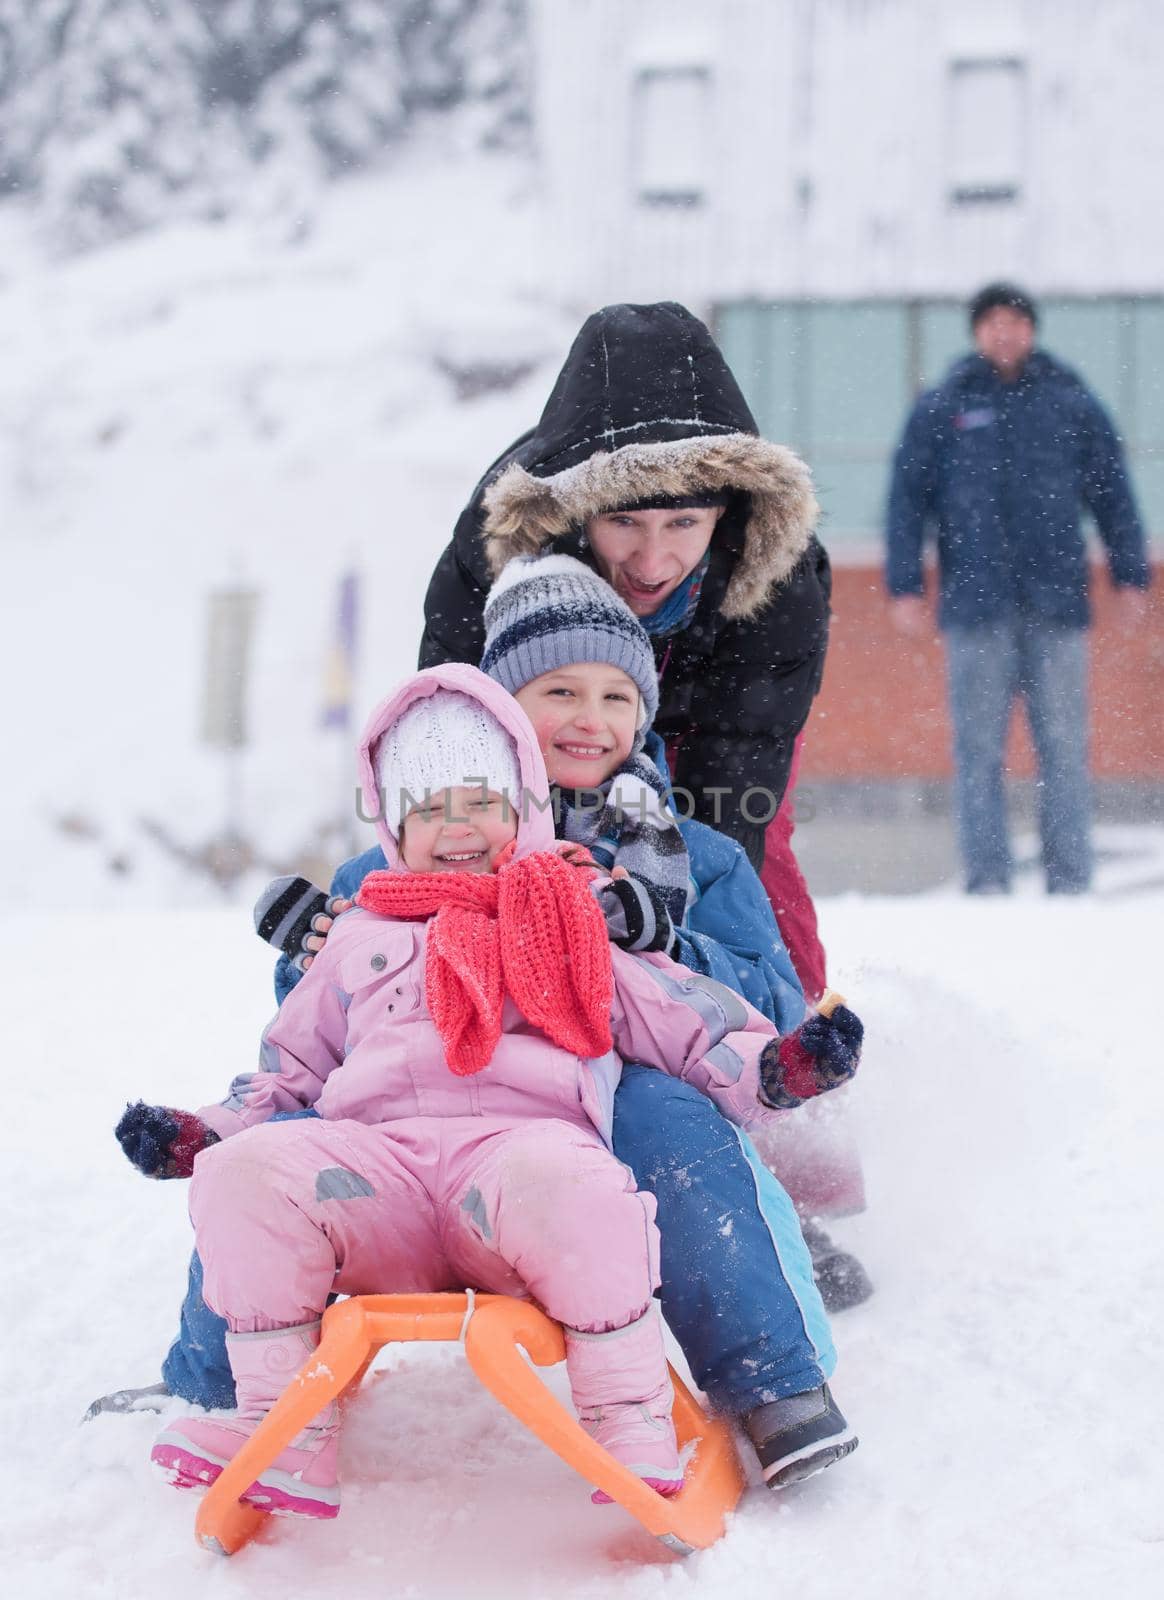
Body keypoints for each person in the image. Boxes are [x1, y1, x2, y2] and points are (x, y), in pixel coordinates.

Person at [116, 667, 859, 1517]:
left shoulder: (571, 916)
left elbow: (679, 1020)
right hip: (378, 1178)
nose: (456, 827)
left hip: (514, 1177)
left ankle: (627, 1419)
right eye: (428, 809)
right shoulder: (359, 932)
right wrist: (206, 1137)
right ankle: (280, 1430)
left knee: (589, 1190)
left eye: (480, 803)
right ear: (394, 829)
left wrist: (777, 1069)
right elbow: (289, 1072)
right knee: (247, 1176)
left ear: (523, 811)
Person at [419, 300, 831, 997]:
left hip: (708, 708)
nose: (653, 557)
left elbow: (734, 797)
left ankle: (792, 1021)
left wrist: (693, 941)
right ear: (581, 514)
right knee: (506, 847)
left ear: (724, 514)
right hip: (553, 718)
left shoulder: (777, 579)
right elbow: (448, 740)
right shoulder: (498, 554)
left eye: (683, 523)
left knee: (737, 857)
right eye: (625, 522)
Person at [886, 282, 1151, 895]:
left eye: (1015, 322)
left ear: (1032, 330)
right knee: (978, 751)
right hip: (976, 606)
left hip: (1056, 601)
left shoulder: (1070, 401)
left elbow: (1113, 491)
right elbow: (907, 502)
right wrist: (903, 584)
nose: (1005, 332)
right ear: (978, 331)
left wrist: (1130, 572)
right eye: (993, 322)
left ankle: (1070, 880)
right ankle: (986, 880)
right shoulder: (944, 406)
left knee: (1063, 746)